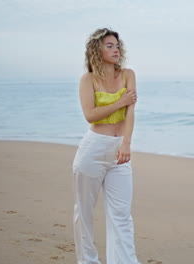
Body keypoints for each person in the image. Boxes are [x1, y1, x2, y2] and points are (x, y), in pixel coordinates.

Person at [72, 27, 141, 264]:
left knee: (121, 215)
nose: (116, 49)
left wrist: (126, 144)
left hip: (120, 150)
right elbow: (90, 115)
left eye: (117, 45)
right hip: (93, 149)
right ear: (96, 50)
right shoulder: (88, 79)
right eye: (109, 45)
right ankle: (87, 261)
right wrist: (120, 101)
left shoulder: (128, 74)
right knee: (85, 212)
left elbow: (130, 113)